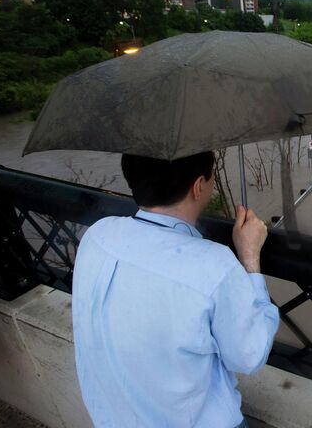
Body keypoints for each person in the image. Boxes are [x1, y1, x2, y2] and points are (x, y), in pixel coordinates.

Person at [72, 151, 279, 428]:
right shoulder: (214, 266)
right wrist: (250, 259)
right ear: (198, 187)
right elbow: (249, 356)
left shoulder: (97, 235)